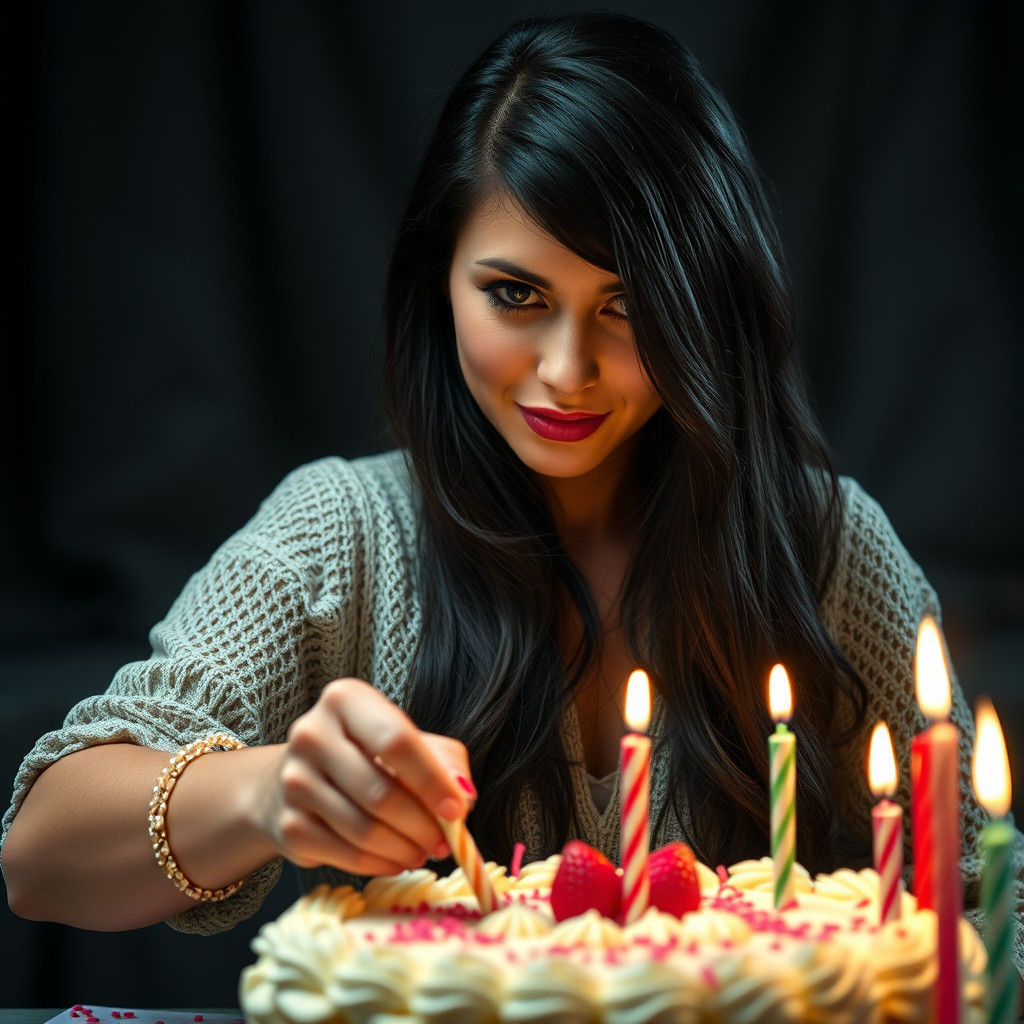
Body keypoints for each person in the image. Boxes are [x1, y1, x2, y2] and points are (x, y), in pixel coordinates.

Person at [2, 11, 1020, 968]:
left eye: (628, 305)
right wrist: (267, 793)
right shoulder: (338, 537)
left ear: (706, 303)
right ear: (436, 279)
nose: (565, 369)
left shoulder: (821, 542)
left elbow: (995, 896)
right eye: (515, 296)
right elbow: (39, 855)